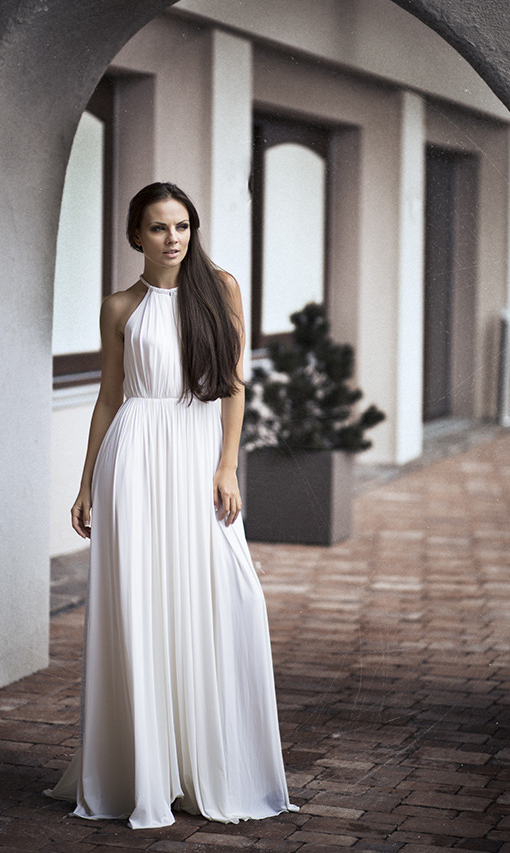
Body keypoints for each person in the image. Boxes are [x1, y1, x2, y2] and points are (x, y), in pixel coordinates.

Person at [45, 182, 298, 829]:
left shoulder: (221, 288)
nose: (173, 238)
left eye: (181, 225)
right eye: (158, 228)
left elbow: (234, 386)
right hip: (132, 459)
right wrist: (83, 484)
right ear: (135, 235)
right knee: (140, 606)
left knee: (225, 595)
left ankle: (207, 765)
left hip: (195, 457)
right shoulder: (120, 307)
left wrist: (226, 465)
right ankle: (142, 773)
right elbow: (108, 396)